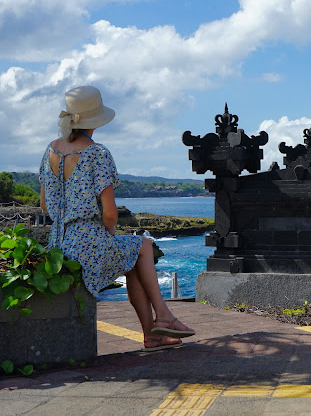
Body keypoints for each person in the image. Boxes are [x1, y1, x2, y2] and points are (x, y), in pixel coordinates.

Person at [39, 86, 195, 351]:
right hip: (87, 244)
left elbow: (44, 204)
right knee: (143, 245)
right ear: (95, 121)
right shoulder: (97, 153)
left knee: (132, 255)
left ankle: (153, 335)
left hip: (57, 245)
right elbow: (110, 213)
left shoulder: (50, 150)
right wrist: (107, 234)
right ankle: (163, 316)